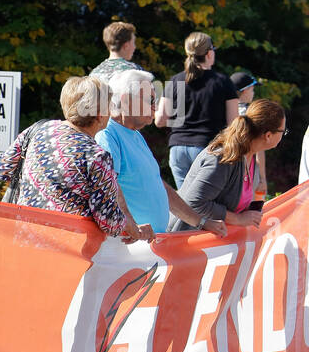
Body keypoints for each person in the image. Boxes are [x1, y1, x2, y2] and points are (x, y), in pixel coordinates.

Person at [0, 76, 148, 242]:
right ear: (99, 115)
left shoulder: (39, 129)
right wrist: (134, 229)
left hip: (24, 238)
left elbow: (1, 170)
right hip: (66, 250)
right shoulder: (96, 156)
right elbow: (109, 222)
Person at [98, 69, 227, 236]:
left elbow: (160, 186)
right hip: (129, 246)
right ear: (127, 100)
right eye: (150, 100)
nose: (155, 106)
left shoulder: (135, 134)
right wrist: (131, 226)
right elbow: (108, 187)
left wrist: (201, 222)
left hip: (148, 243)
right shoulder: (107, 135)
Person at [170, 99, 286, 231]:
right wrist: (238, 219)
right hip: (185, 242)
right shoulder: (223, 158)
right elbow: (194, 203)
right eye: (283, 131)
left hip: (214, 244)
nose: (284, 135)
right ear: (268, 135)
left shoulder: (251, 156)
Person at [159, 32, 240, 190]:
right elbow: (233, 124)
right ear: (209, 53)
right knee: (204, 204)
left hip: (177, 149)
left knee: (186, 203)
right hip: (207, 147)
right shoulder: (223, 83)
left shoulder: (175, 81)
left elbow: (160, 120)